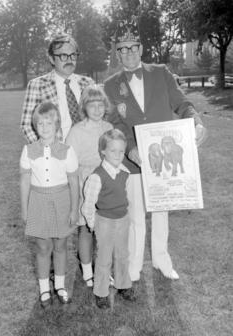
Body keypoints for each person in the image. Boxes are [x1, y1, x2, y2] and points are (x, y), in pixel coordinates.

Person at [104, 18, 207, 282]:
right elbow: (115, 123)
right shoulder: (111, 85)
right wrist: (129, 149)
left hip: (164, 156)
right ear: (117, 54)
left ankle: (162, 260)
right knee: (136, 215)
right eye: (122, 49)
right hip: (135, 160)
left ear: (141, 48)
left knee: (161, 212)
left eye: (132, 47)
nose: (127, 53)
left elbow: (182, 103)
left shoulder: (161, 72)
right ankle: (134, 266)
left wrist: (196, 121)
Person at [20, 102, 79, 309]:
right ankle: (44, 287)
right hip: (38, 201)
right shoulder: (28, 151)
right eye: (40, 123)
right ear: (35, 126)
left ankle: (60, 285)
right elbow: (25, 182)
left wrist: (74, 209)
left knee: (61, 245)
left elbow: (73, 182)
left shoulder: (67, 151)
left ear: (57, 125)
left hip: (62, 201)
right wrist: (25, 210)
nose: (44, 127)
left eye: (49, 122)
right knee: (43, 247)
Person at [82, 129, 136, 309]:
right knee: (104, 258)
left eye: (121, 151)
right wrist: (92, 224)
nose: (118, 155)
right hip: (104, 221)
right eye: (113, 151)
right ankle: (101, 292)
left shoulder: (125, 172)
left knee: (122, 255)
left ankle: (123, 285)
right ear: (103, 151)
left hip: (122, 219)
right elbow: (88, 204)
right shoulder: (97, 176)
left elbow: (124, 195)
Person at [65, 85, 113, 288]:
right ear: (84, 107)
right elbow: (69, 163)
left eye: (100, 104)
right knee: (85, 230)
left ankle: (102, 269)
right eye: (91, 105)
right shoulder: (76, 131)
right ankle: (86, 272)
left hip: (107, 185)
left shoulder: (109, 128)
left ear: (105, 106)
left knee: (104, 231)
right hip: (86, 183)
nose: (96, 109)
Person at [20, 32, 94, 143]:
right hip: (56, 152)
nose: (69, 60)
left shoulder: (88, 83)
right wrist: (46, 151)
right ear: (51, 58)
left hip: (88, 151)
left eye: (73, 55)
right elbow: (27, 125)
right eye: (63, 56)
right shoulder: (37, 85)